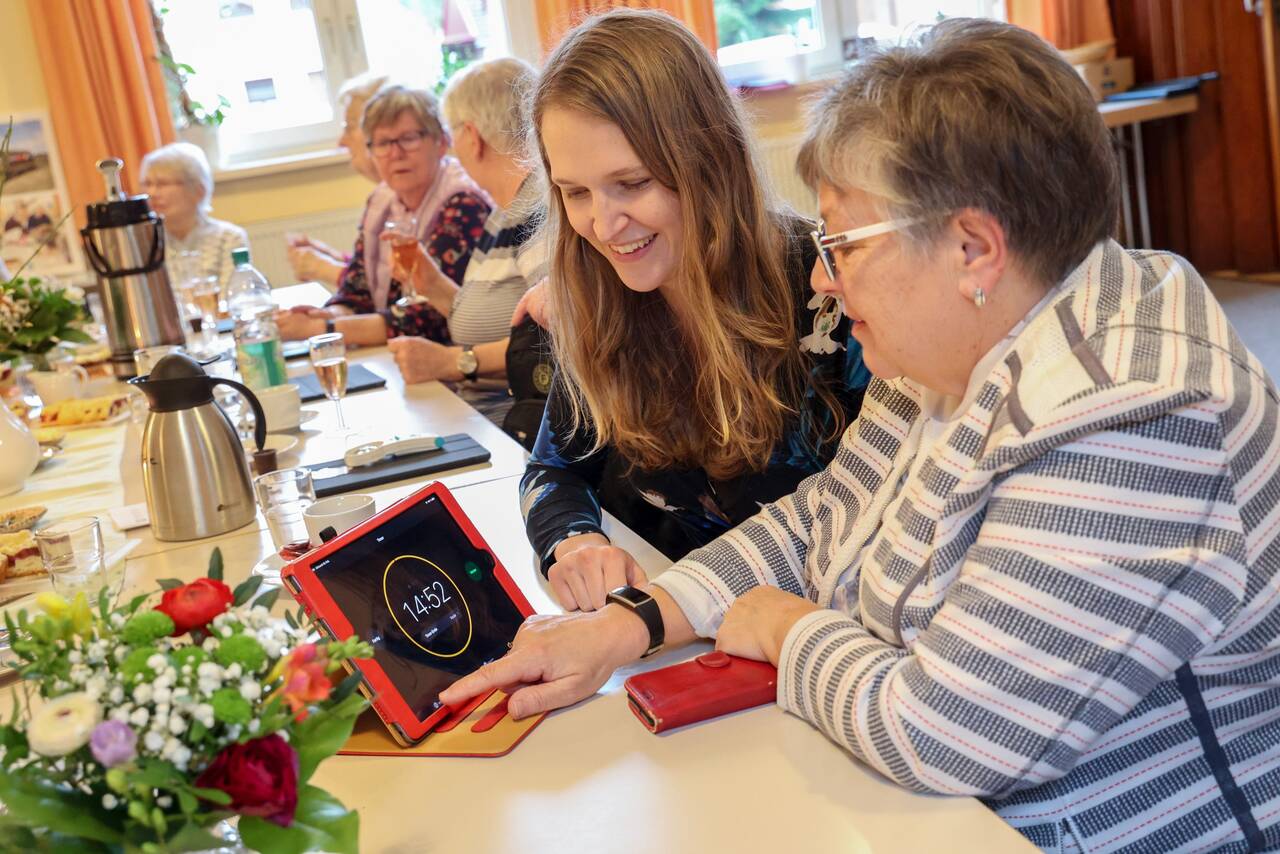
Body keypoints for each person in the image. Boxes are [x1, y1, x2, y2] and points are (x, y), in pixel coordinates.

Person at [445, 17, 1280, 854]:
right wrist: (635, 620)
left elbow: (940, 731)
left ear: (973, 249)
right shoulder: (947, 351)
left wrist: (786, 629)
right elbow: (821, 514)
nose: (819, 276)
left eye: (842, 243)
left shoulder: (1132, 418)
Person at [516, 9, 870, 612]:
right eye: (575, 193)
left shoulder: (830, 289)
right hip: (678, 638)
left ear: (707, 161)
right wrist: (574, 543)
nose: (602, 226)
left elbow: (870, 514)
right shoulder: (598, 294)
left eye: (632, 183)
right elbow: (553, 470)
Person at [387, 57, 548, 430]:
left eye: (452, 133)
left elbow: (556, 340)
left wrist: (452, 362)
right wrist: (432, 286)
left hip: (514, 427)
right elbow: (497, 315)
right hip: (483, 414)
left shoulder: (534, 210)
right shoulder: (503, 211)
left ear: (473, 138)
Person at [276, 84, 490, 347]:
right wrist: (331, 313)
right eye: (383, 143)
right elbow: (358, 288)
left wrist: (324, 328)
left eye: (409, 138)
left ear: (441, 143)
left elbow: (428, 319)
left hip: (456, 362)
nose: (395, 154)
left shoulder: (463, 203)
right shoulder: (382, 199)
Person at [286, 72, 387, 288]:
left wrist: (323, 267)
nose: (342, 141)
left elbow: (394, 292)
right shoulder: (382, 196)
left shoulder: (410, 199)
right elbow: (375, 271)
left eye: (349, 127)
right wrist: (331, 257)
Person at [140, 142, 248, 289]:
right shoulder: (144, 243)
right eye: (147, 184)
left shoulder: (228, 238)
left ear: (198, 191)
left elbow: (233, 297)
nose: (151, 193)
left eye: (162, 184)